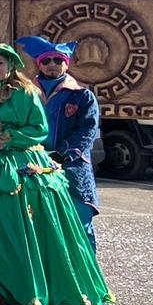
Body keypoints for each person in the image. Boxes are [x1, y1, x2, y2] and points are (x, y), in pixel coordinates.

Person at [0, 45, 111, 305]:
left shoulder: (26, 93)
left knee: (17, 219)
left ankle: (19, 284)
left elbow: (39, 129)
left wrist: (12, 139)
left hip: (15, 159)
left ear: (11, 65)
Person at [18, 35, 102, 258]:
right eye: (46, 61)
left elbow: (87, 130)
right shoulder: (24, 94)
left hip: (72, 168)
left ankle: (88, 278)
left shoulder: (82, 96)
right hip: (32, 165)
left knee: (79, 221)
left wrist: (62, 155)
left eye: (57, 60)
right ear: (39, 64)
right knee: (37, 223)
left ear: (67, 63)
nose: (52, 65)